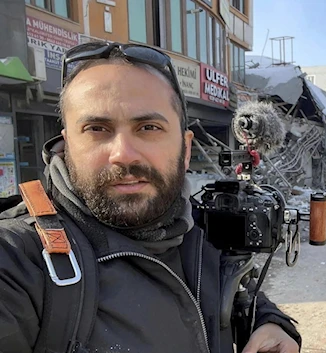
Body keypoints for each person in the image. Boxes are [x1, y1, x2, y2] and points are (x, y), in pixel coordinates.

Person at [0, 42, 300, 353]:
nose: (123, 155)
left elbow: (237, 287)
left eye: (148, 127)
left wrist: (272, 322)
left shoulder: (200, 229)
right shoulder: (19, 257)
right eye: (97, 128)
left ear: (184, 150)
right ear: (67, 145)